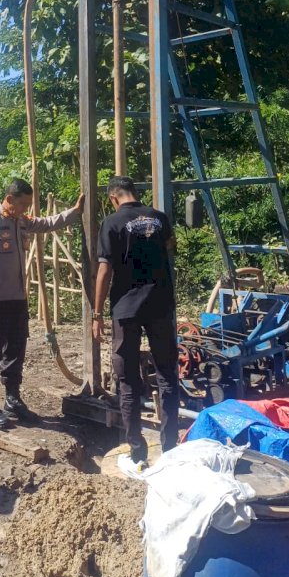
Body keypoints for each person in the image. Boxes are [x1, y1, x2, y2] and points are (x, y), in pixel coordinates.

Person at [0, 178, 84, 427]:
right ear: (10, 199)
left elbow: (45, 224)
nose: (26, 209)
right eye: (23, 203)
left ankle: (12, 399)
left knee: (16, 349)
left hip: (17, 298)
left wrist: (74, 212)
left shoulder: (20, 220)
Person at [92, 176, 179, 475]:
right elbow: (171, 245)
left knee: (127, 380)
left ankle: (137, 452)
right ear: (134, 193)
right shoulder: (158, 218)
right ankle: (170, 449)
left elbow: (105, 269)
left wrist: (97, 313)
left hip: (126, 309)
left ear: (113, 198)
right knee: (168, 375)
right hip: (160, 306)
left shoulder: (112, 223)